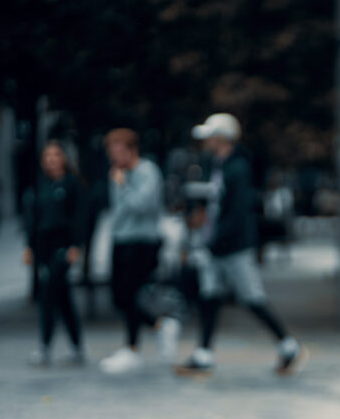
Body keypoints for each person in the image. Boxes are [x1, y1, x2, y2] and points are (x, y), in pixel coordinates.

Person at [175, 113, 304, 376]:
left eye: (211, 136)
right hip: (215, 245)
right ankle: (204, 354)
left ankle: (288, 345)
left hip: (233, 247)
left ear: (222, 137)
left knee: (252, 298)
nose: (206, 142)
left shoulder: (238, 168)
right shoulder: (215, 165)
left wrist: (215, 239)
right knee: (209, 297)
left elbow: (236, 212)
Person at [99, 128, 181, 374]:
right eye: (111, 152)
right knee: (118, 296)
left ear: (132, 150)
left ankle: (133, 347)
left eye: (118, 151)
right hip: (121, 239)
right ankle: (158, 326)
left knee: (131, 294)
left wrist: (123, 185)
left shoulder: (147, 172)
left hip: (143, 241)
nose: (114, 157)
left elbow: (141, 206)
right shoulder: (117, 173)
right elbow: (118, 209)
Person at [22, 142, 86, 365]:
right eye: (47, 155)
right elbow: (33, 219)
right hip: (43, 246)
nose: (51, 159)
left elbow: (79, 216)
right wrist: (29, 246)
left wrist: (76, 245)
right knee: (63, 297)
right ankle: (76, 346)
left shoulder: (71, 184)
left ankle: (45, 346)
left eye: (55, 154)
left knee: (49, 294)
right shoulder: (40, 185)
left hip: (63, 246)